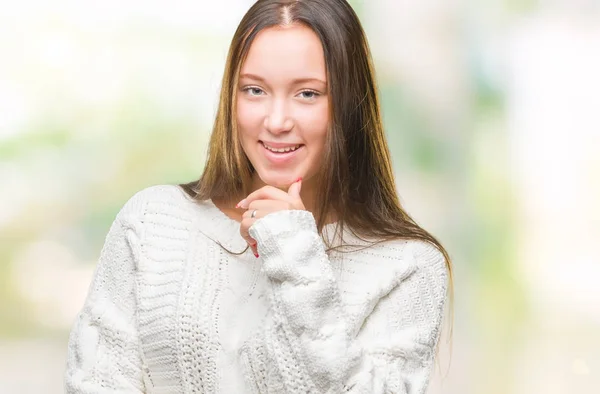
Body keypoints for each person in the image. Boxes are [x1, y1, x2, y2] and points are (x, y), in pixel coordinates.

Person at [64, 0, 453, 393]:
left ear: (349, 104)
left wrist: (295, 253)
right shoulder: (153, 222)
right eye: (254, 90)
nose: (277, 121)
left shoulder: (409, 265)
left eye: (307, 94)